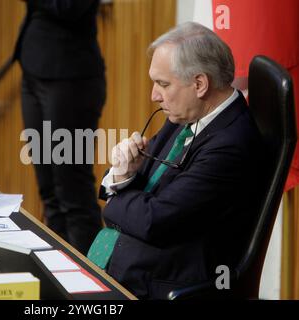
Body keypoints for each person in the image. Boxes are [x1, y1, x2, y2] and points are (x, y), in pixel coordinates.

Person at [87, 22, 265, 299]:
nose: (154, 96)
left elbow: (154, 222)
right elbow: (142, 178)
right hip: (133, 257)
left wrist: (117, 190)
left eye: (163, 84)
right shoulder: (187, 111)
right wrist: (123, 175)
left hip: (160, 281)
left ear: (199, 83)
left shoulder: (230, 146)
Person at [16, 0, 106, 255]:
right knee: (49, 190)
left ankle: (89, 284)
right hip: (34, 68)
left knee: (72, 190)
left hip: (71, 78)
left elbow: (67, 7)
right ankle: (59, 272)